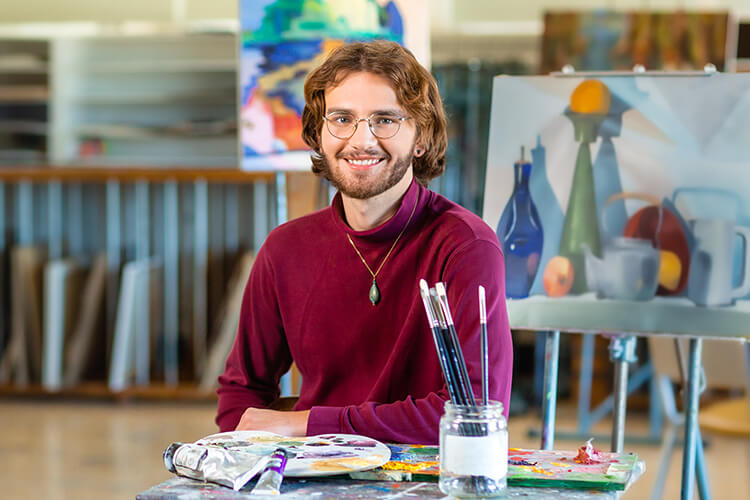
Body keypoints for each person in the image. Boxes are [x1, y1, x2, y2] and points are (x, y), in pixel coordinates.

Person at [216, 40, 512, 444]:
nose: (361, 140)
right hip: (312, 477)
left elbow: (476, 409)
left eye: (385, 120)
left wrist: (307, 424)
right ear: (319, 134)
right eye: (342, 119)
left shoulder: (466, 247)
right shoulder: (284, 250)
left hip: (429, 481)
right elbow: (241, 396)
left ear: (420, 137)